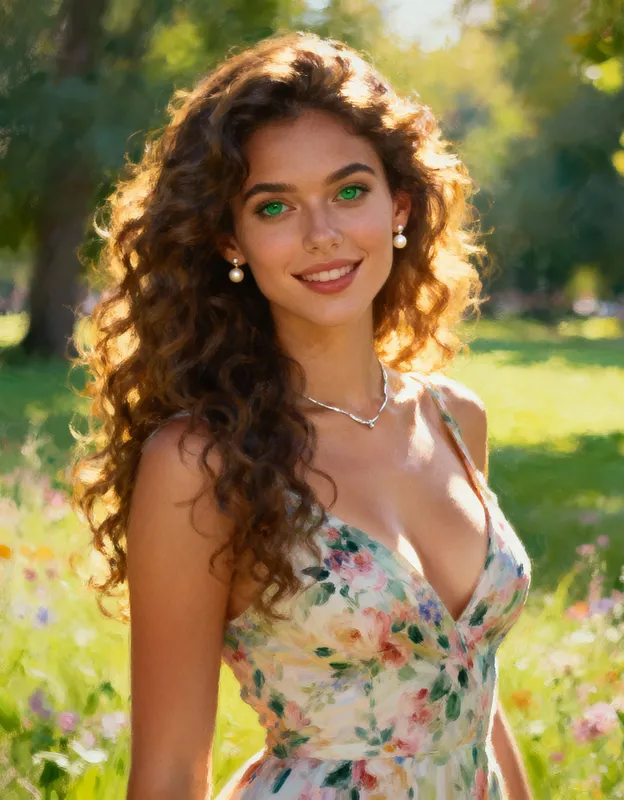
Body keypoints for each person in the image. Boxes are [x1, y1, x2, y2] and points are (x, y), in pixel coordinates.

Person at [72, 30, 533, 800]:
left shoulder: (456, 420)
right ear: (231, 239)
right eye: (275, 205)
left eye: (350, 191)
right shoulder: (201, 464)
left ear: (401, 205)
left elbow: (467, 688)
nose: (322, 235)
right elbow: (167, 773)